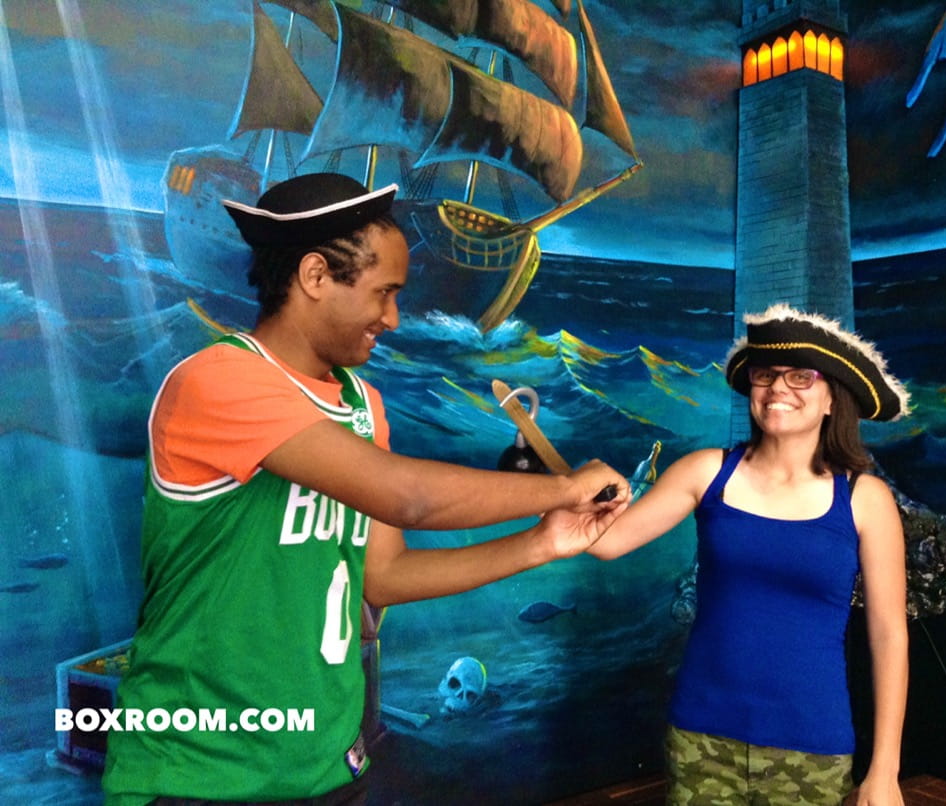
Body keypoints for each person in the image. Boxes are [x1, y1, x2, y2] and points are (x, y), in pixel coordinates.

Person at [101, 173, 629, 806]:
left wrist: (541, 544)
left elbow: (383, 575)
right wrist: (564, 489)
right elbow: (406, 497)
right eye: (384, 293)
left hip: (325, 768)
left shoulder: (361, 402)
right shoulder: (217, 381)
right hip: (197, 777)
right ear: (315, 276)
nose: (394, 318)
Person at [587, 303, 910, 806]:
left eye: (800, 376)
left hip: (812, 749)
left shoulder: (866, 499)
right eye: (766, 374)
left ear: (832, 399)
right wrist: (565, 489)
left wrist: (885, 770)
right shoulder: (706, 472)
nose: (778, 387)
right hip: (701, 739)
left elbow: (889, 635)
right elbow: (606, 542)